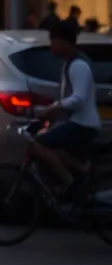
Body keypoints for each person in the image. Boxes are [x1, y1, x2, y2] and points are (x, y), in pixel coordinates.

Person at [30, 21, 100, 197]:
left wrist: (53, 108)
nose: (51, 46)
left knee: (39, 144)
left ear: (63, 42)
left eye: (53, 41)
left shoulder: (78, 66)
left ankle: (67, 180)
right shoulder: (68, 64)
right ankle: (81, 169)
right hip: (75, 122)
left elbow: (78, 98)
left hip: (83, 124)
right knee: (53, 145)